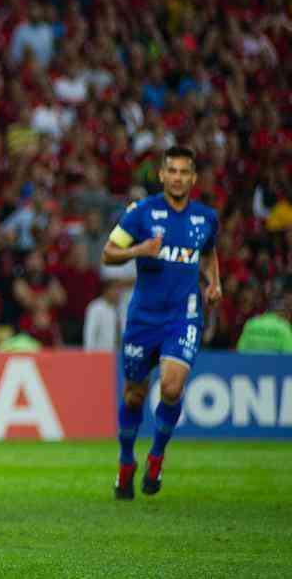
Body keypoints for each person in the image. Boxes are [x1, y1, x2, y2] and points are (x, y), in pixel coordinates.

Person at [104, 146, 221, 500]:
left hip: (183, 316)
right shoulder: (141, 213)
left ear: (193, 178)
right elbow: (109, 253)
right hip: (143, 318)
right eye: (172, 171)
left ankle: (156, 455)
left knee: (171, 388)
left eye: (185, 172)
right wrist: (138, 251)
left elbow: (209, 251)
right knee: (135, 395)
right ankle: (126, 462)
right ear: (162, 175)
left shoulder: (206, 218)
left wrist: (214, 282)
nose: (178, 177)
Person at [235, 289, 292, 354]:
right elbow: (289, 357)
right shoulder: (285, 328)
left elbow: (240, 351)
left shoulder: (251, 323)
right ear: (284, 311)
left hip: (251, 364)